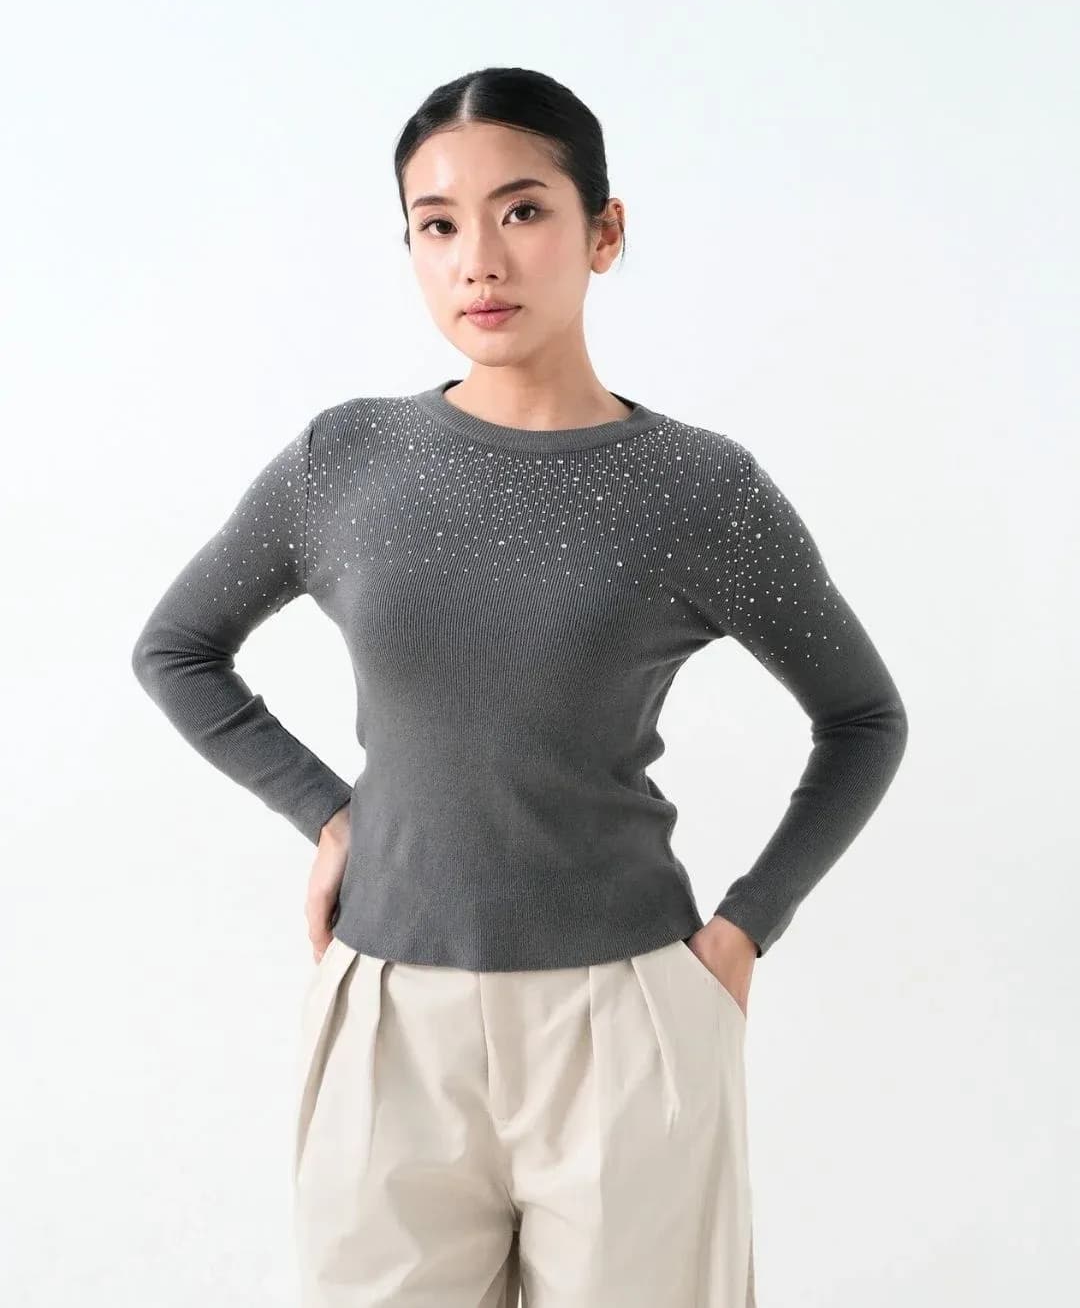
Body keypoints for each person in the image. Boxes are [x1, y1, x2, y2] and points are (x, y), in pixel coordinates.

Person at [130, 66, 908, 1307]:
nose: (479, 260)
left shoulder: (701, 489)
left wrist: (748, 929)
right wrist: (331, 815)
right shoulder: (347, 458)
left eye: (524, 210)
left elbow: (863, 718)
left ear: (604, 231)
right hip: (388, 1019)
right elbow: (177, 648)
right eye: (437, 224)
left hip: (628, 1018)